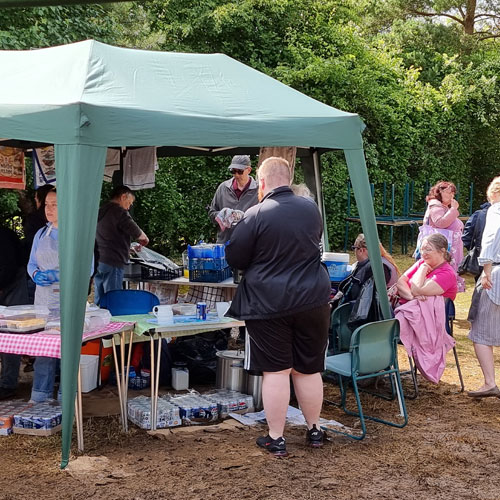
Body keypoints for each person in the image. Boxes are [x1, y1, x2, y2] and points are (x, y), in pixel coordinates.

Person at [225, 156, 331, 457]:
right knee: (309, 369)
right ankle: (314, 430)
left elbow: (236, 258)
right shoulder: (312, 210)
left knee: (277, 371)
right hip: (313, 299)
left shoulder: (256, 214)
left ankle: (276, 437)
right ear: (288, 178)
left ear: (261, 182)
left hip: (270, 302)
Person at [396, 233, 457, 383]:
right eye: (422, 249)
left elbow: (417, 289)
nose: (423, 253)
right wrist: (411, 298)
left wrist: (422, 269)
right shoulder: (422, 261)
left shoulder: (446, 273)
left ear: (442, 251)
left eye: (428, 249)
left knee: (382, 327)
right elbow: (400, 282)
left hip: (428, 323)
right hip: (410, 311)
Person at [27, 190, 62, 402]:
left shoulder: (76, 233)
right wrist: (36, 274)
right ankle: (40, 396)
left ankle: (67, 397)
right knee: (44, 349)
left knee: (65, 350)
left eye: (55, 204)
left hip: (66, 299)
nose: (49, 209)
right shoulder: (41, 234)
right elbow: (31, 263)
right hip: (43, 299)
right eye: (47, 204)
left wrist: (59, 275)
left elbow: (87, 268)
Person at [467, 177, 500, 398]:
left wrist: (486, 271)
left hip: (497, 272)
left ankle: (489, 382)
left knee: (479, 329)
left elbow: (489, 239)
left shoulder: (496, 210)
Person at [94, 185, 149, 305]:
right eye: (129, 202)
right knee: (113, 299)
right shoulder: (119, 212)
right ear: (123, 197)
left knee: (99, 299)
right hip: (113, 261)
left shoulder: (101, 210)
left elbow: (107, 236)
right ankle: (112, 321)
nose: (129, 207)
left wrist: (128, 249)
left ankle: (99, 321)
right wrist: (144, 241)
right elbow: (140, 235)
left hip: (98, 261)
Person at [0, 226, 29, 400]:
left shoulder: (3, 236)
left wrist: (1, 287)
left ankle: (8, 384)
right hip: (4, 281)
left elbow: (9, 266)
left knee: (10, 333)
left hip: (13, 284)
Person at [422, 180, 465, 291]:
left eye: (453, 193)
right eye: (448, 192)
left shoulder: (444, 207)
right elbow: (440, 223)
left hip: (448, 250)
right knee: (442, 279)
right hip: (441, 250)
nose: (451, 195)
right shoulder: (435, 206)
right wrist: (453, 209)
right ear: (439, 192)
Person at [208, 155, 259, 243]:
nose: (236, 175)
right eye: (233, 171)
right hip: (225, 243)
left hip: (250, 244)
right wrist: (222, 215)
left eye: (240, 171)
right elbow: (211, 214)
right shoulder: (223, 188)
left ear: (249, 170)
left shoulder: (259, 190)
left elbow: (265, 218)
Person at [461, 201, 491, 281]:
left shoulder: (479, 214)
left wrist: (474, 250)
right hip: (482, 256)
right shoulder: (479, 214)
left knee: (482, 288)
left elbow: (466, 236)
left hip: (480, 255)